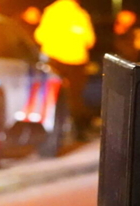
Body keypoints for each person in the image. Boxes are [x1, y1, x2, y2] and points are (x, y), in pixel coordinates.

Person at [34, 0, 95, 134]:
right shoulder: (81, 14)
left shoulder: (51, 11)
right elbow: (90, 40)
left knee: (53, 95)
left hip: (55, 61)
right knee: (75, 97)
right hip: (77, 62)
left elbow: (40, 36)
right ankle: (78, 130)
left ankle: (52, 129)